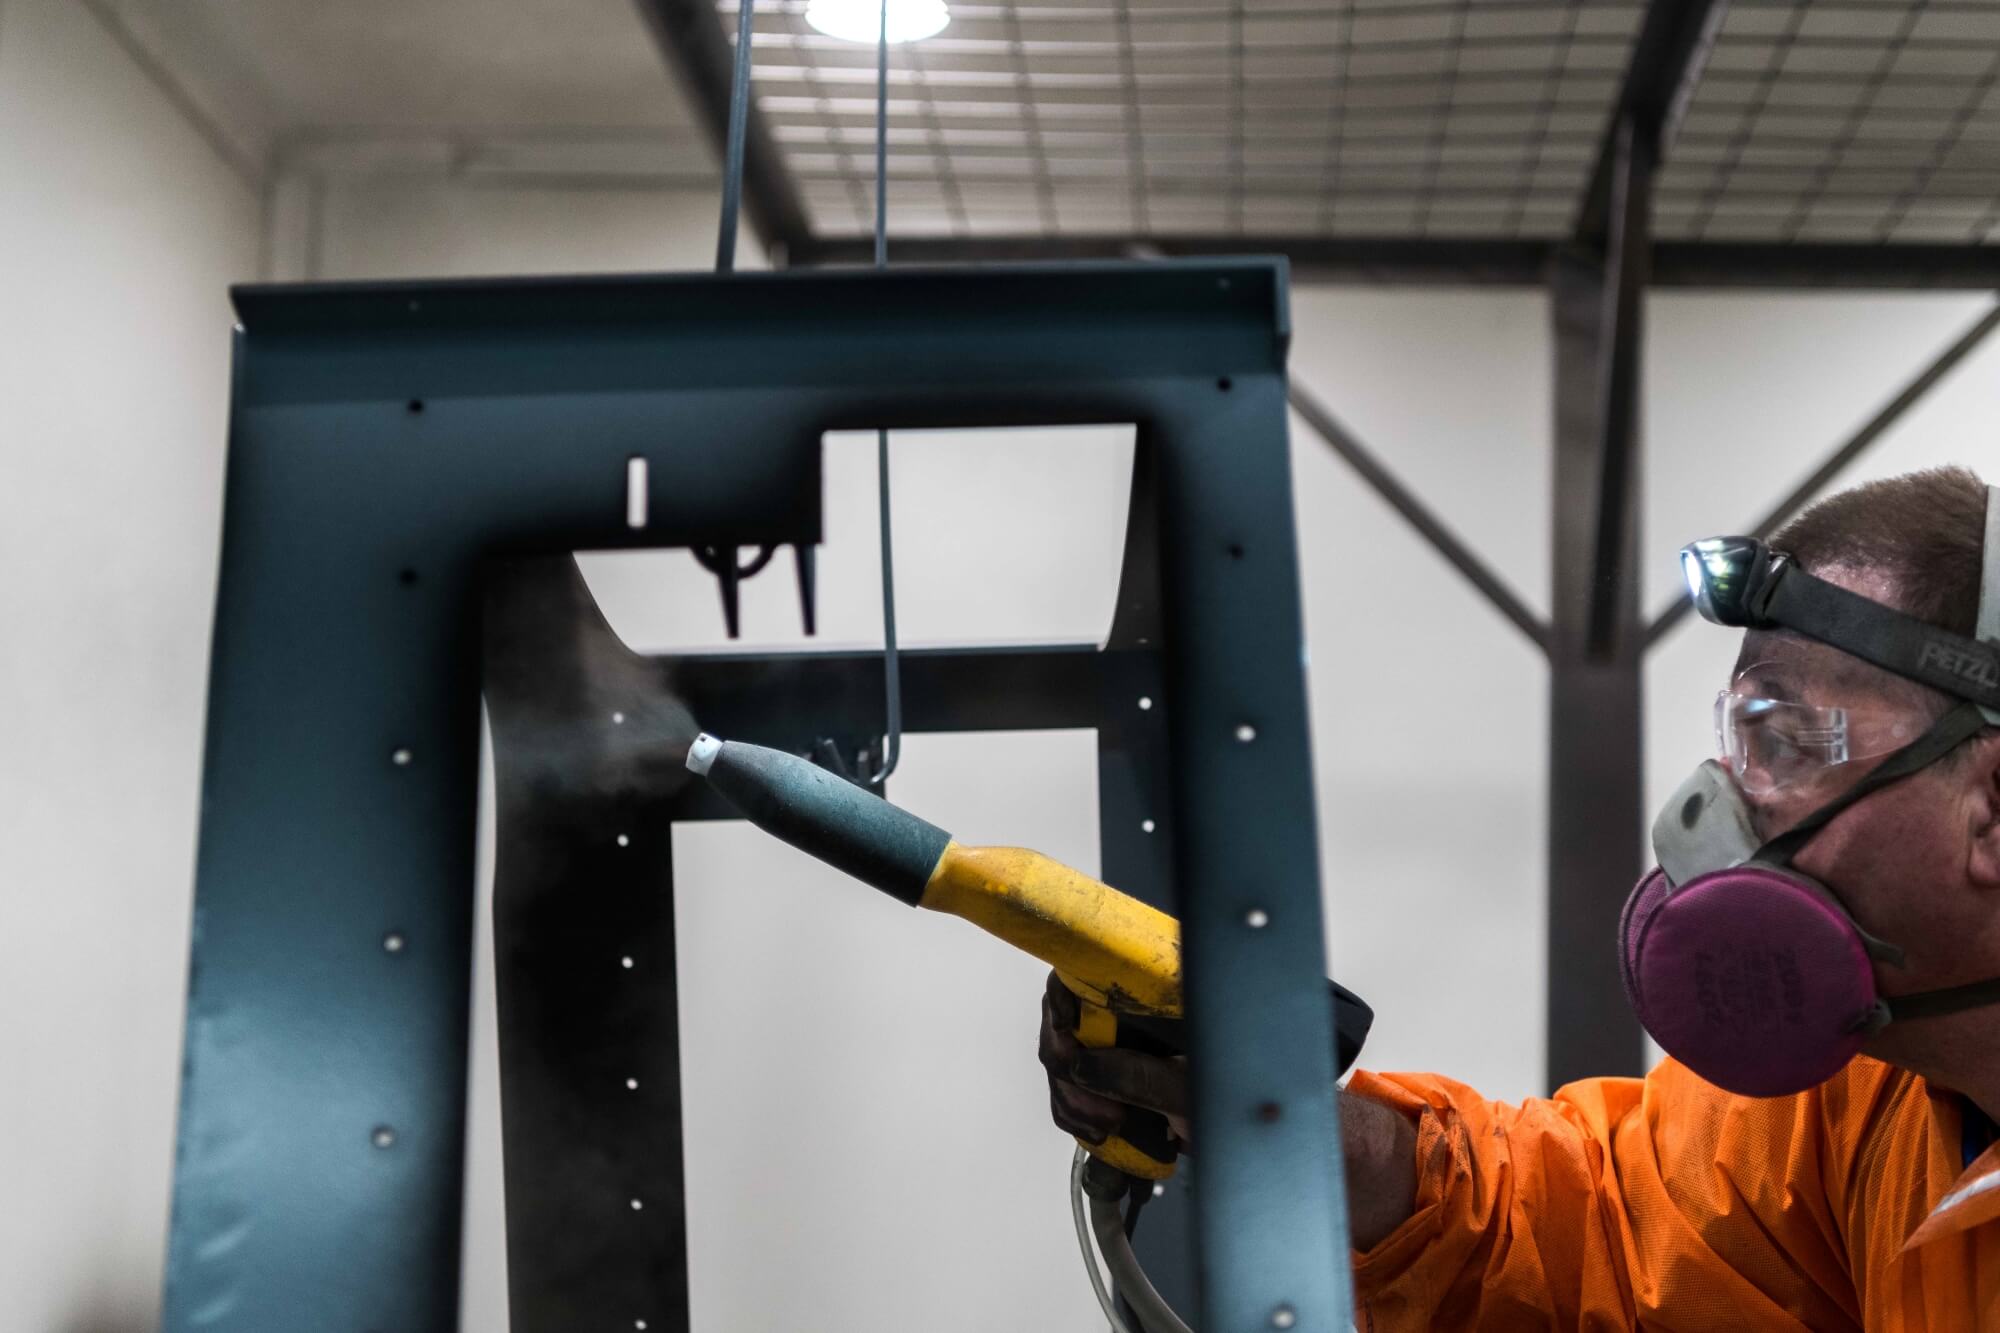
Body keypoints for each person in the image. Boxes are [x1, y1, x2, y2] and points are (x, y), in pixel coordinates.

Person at [1042, 467, 2000, 1330]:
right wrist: (1313, 1133)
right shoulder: (1867, 1095)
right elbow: (1611, 1239)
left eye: (1785, 744)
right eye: (1737, 739)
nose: (1714, 812)